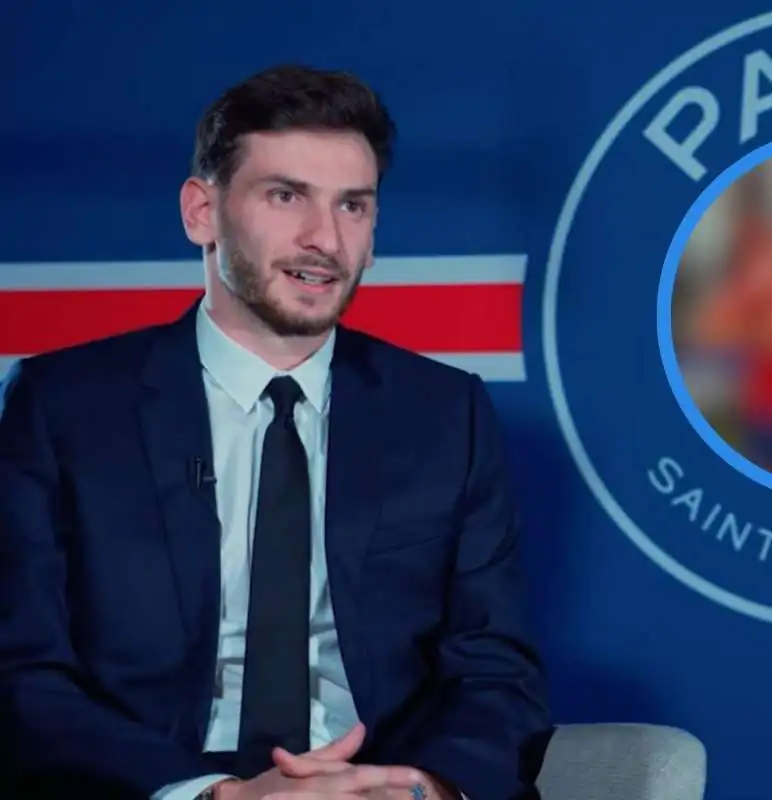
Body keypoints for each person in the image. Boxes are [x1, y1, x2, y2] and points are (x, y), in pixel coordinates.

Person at [0, 64, 553, 800]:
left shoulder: (447, 413)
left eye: (352, 205)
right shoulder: (63, 407)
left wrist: (420, 786)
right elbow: (23, 674)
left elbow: (496, 671)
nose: (325, 238)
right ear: (202, 212)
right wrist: (216, 795)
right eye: (286, 196)